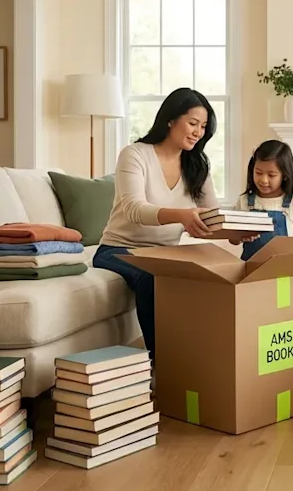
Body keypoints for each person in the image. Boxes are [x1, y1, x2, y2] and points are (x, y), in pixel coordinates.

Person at [92, 87, 220, 359]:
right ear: (171, 119)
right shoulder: (135, 154)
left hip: (166, 253)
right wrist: (182, 215)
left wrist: (235, 233)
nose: (198, 132)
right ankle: (160, 363)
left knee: (215, 273)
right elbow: (134, 210)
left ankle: (208, 359)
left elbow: (212, 214)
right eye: (193, 123)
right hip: (119, 248)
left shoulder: (197, 165)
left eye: (203, 126)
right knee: (153, 276)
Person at [230, 139, 293, 259]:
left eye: (271, 175)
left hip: (282, 269)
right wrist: (240, 235)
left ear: (285, 175)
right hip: (250, 268)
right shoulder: (244, 201)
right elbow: (233, 240)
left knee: (282, 278)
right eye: (258, 173)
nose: (263, 180)